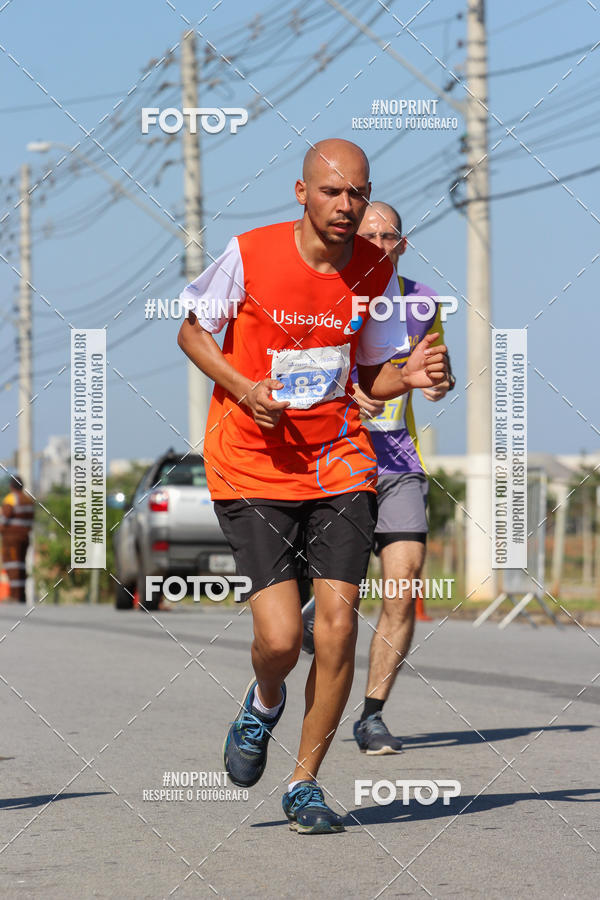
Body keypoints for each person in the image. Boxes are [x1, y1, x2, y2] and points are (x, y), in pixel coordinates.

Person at [177, 139, 448, 834]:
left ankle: (304, 783)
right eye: (332, 192)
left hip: (340, 464)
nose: (346, 205)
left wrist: (410, 375)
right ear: (302, 193)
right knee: (278, 640)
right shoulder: (250, 253)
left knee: (336, 629)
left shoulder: (374, 269)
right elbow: (192, 333)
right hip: (252, 465)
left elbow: (370, 378)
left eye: (358, 193)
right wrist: (244, 388)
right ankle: (264, 702)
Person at [303, 200, 454, 755]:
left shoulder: (422, 302)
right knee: (336, 600)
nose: (379, 245)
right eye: (369, 236)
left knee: (404, 581)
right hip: (336, 460)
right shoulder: (328, 292)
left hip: (398, 462)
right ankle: (306, 616)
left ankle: (371, 716)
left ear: (403, 245)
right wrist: (351, 393)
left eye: (389, 236)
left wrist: (437, 382)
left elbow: (439, 372)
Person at [0, 474, 34, 603]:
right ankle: (21, 595)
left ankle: (15, 596)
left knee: (12, 565)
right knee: (21, 565)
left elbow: (4, 520)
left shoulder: (11, 499)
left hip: (11, 539)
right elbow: (30, 521)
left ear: (11, 486)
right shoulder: (28, 500)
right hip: (25, 538)